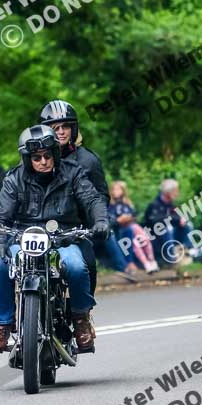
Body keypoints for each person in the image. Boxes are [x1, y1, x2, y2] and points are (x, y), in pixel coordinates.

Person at [0, 125, 110, 354]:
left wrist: (101, 220)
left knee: (75, 266)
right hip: (23, 237)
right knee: (3, 264)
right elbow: (1, 217)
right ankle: (2, 324)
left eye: (47, 156)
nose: (43, 161)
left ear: (54, 154)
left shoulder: (74, 173)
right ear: (28, 159)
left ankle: (81, 317)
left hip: (63, 237)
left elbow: (93, 200)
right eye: (36, 158)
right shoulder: (14, 179)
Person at [39, 100, 136, 280]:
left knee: (87, 266)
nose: (60, 132)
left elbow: (101, 195)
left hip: (76, 227)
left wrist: (97, 220)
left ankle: (82, 308)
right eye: (55, 127)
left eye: (65, 127)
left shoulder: (88, 160)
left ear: (73, 129)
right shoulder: (36, 158)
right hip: (40, 227)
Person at [109, 181, 159, 273]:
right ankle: (146, 263)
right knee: (135, 240)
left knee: (143, 238)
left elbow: (134, 215)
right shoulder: (110, 205)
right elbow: (111, 220)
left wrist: (129, 218)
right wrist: (119, 220)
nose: (115, 191)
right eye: (113, 189)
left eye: (118, 189)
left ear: (123, 191)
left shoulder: (128, 203)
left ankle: (151, 261)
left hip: (132, 226)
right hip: (120, 230)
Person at [144, 179, 194, 263]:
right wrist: (175, 219)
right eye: (175, 191)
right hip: (155, 236)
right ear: (168, 192)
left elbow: (177, 216)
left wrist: (181, 220)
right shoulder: (154, 205)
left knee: (188, 225)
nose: (177, 193)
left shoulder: (171, 205)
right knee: (165, 229)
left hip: (171, 234)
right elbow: (155, 222)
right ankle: (170, 257)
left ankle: (186, 251)